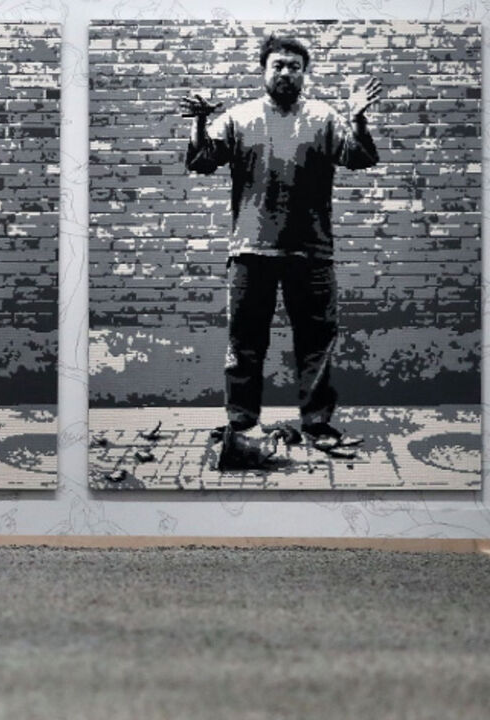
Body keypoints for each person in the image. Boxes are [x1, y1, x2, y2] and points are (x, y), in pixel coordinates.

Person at [180, 35, 382, 469]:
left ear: (304, 73)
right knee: (245, 344)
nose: (286, 72)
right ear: (264, 71)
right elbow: (201, 161)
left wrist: (358, 118)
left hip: (312, 253)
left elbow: (361, 157)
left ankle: (317, 425)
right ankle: (241, 425)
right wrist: (198, 123)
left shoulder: (324, 117)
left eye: (294, 66)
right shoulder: (239, 117)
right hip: (251, 251)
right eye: (278, 65)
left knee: (316, 344)